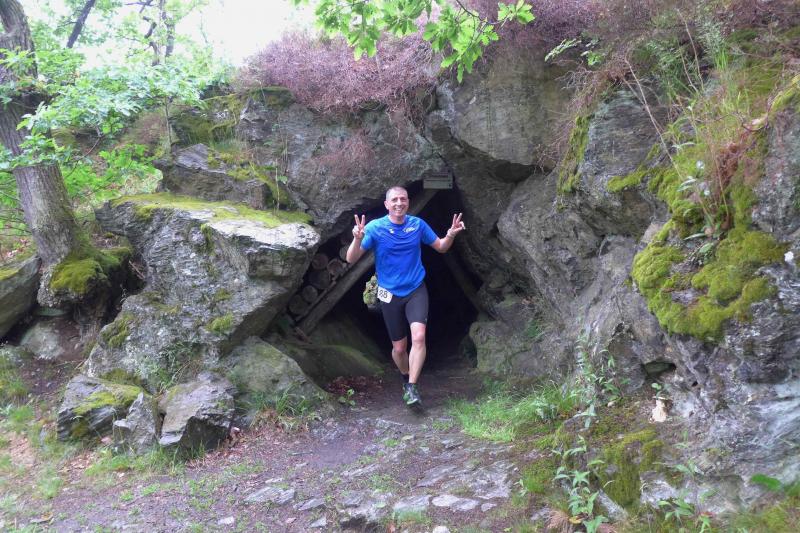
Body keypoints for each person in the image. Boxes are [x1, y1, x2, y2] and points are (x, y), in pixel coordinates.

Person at [346, 186, 466, 407]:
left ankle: (412, 387)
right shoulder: (375, 228)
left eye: (403, 199)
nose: (399, 203)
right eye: (394, 200)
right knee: (399, 349)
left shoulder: (417, 225)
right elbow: (351, 258)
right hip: (389, 294)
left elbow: (441, 247)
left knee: (418, 337)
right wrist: (356, 239)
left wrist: (450, 234)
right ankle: (405, 376)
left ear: (408, 202)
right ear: (386, 204)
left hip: (415, 289)